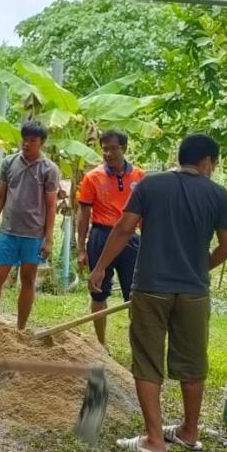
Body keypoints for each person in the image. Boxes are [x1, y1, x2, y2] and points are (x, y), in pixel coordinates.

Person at [89, 133, 227, 452]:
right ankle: (189, 431)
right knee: (193, 364)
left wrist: (100, 268)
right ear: (207, 162)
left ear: (182, 157)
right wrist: (201, 266)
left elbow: (124, 229)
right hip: (194, 293)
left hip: (151, 289)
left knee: (147, 361)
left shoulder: (150, 186)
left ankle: (154, 440)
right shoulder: (218, 194)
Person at [0, 120, 60, 330]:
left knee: (28, 279)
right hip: (8, 231)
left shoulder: (49, 169)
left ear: (41, 143)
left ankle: (21, 328)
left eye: (32, 140)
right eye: (24, 139)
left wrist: (48, 238)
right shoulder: (9, 163)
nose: (27, 144)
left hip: (34, 235)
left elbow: (51, 206)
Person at [76, 130, 146, 347]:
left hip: (130, 238)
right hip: (101, 235)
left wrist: (147, 240)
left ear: (124, 148)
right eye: (104, 149)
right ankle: (100, 344)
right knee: (98, 291)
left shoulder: (139, 177)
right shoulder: (93, 177)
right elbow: (84, 214)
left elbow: (145, 212)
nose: (107, 153)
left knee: (135, 293)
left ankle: (139, 345)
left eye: (112, 148)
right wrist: (81, 248)